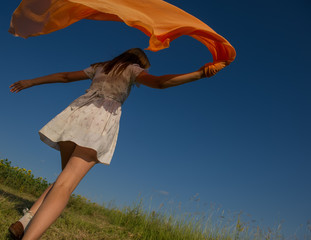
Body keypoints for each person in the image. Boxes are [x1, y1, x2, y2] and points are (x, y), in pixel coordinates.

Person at [8, 48, 227, 239]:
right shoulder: (132, 69)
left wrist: (31, 81)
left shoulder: (100, 67)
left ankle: (26, 220)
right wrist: (199, 73)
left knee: (64, 179)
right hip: (99, 121)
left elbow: (65, 76)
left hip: (75, 115)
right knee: (66, 185)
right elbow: (160, 83)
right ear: (140, 63)